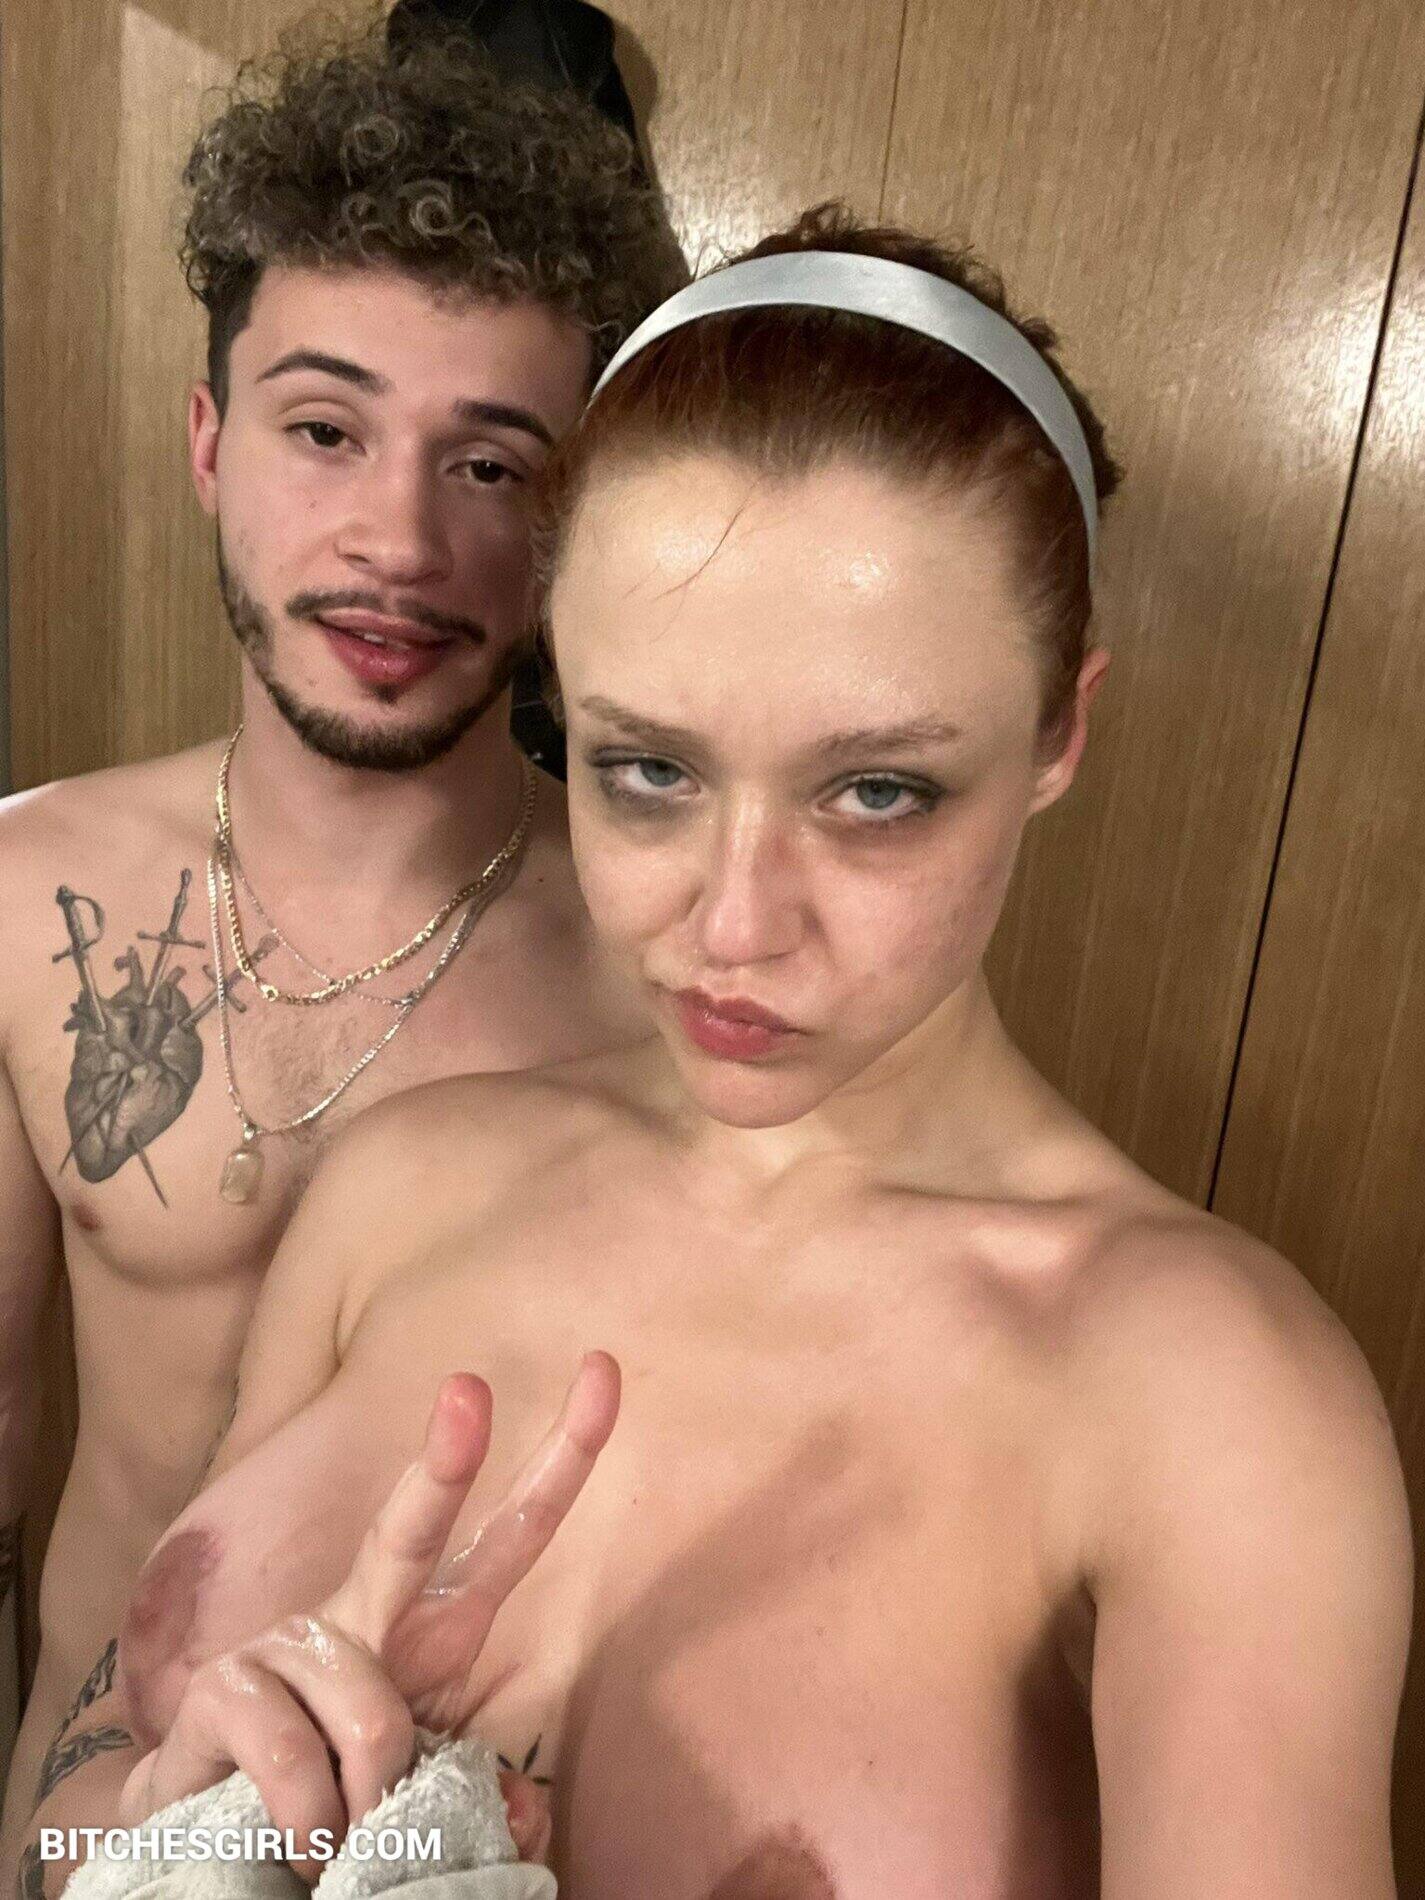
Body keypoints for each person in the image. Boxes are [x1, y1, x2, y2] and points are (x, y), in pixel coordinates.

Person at [24, 207, 1413, 1899]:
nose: (733, 925)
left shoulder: (1209, 1404)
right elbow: (68, 1817)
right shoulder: (402, 1186)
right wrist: (158, 1834)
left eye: (876, 791)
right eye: (649, 772)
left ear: (1057, 730)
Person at [0, 15, 685, 1861]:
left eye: (492, 466)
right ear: (209, 443)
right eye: (324, 428)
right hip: (77, 1835)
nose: (398, 537)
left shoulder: (667, 986)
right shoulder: (21, 895)